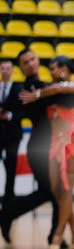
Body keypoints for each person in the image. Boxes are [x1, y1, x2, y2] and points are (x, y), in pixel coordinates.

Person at [18, 56, 74, 249]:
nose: (51, 71)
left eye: (54, 68)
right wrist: (40, 93)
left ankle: (57, 234)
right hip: (56, 141)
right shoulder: (49, 89)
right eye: (49, 68)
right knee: (56, 189)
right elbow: (53, 89)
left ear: (65, 68)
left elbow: (60, 89)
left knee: (66, 189)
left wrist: (39, 93)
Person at [0, 49, 60, 246]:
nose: (31, 63)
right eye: (25, 62)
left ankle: (54, 235)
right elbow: (60, 94)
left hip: (45, 144)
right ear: (22, 67)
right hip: (40, 146)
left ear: (38, 59)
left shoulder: (39, 86)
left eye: (32, 59)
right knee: (51, 192)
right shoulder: (30, 88)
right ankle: (7, 213)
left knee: (53, 192)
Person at [0, 60, 22, 206]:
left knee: (11, 167)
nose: (5, 71)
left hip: (13, 134)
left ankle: (9, 199)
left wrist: (11, 115)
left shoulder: (19, 89)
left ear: (12, 70)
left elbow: (25, 111)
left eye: (8, 68)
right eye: (3, 68)